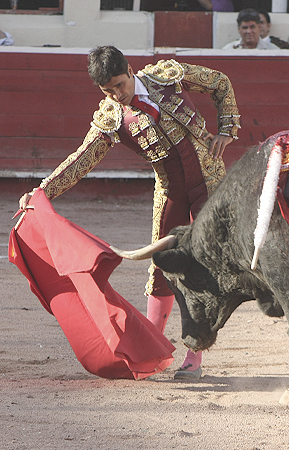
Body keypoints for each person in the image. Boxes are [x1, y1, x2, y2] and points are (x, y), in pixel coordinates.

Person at [18, 46, 241, 381]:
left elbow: (220, 82)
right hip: (171, 193)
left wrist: (227, 128)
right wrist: (42, 191)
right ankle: (152, 348)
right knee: (160, 269)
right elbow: (81, 160)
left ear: (131, 70)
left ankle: (194, 353)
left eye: (120, 85)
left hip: (211, 184)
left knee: (205, 265)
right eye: (108, 91)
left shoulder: (167, 77)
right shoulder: (112, 118)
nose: (117, 95)